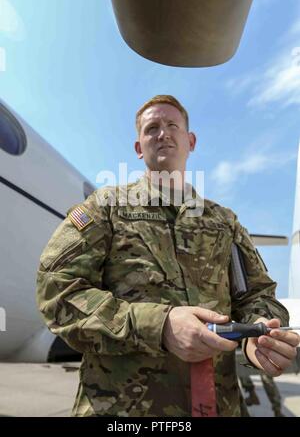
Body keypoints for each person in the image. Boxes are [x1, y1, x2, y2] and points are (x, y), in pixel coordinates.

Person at [36, 95, 299, 417]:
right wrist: (158, 326)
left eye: (172, 125)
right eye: (152, 128)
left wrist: (258, 332)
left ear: (190, 140)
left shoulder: (225, 221)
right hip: (121, 412)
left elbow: (257, 295)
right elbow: (57, 291)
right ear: (138, 147)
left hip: (217, 406)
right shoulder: (105, 208)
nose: (163, 133)